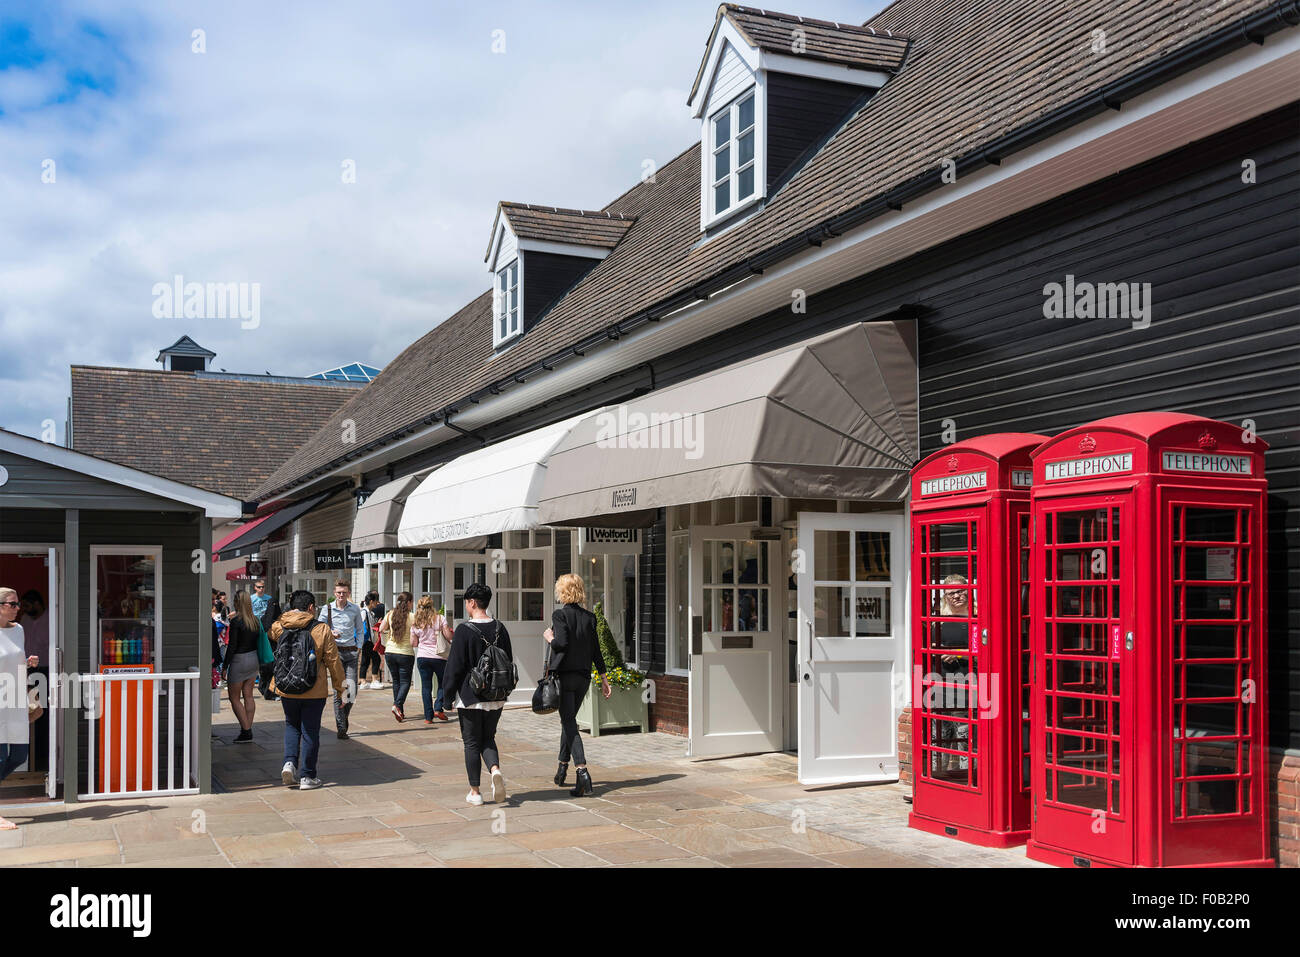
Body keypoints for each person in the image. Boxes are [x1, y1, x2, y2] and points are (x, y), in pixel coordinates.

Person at [440, 582, 511, 805]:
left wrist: (446, 697)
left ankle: (475, 792)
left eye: (467, 604)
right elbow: (508, 660)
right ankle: (495, 770)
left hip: (470, 697)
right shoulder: (501, 628)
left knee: (471, 743)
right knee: (488, 738)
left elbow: (454, 667)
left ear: (471, 602)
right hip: (496, 697)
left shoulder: (464, 630)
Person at [270, 589, 345, 790]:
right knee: (310, 730)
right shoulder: (322, 630)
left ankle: (289, 763)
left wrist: (285, 613)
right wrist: (341, 689)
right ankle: (308, 776)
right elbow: (333, 661)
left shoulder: (281, 626)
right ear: (311, 607)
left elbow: (271, 629)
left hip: (286, 687)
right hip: (314, 688)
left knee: (291, 725)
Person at [543, 574, 611, 797]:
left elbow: (561, 644)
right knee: (568, 720)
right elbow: (596, 651)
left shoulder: (559, 615)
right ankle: (562, 769)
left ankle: (582, 772)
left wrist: (549, 637)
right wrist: (604, 678)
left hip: (563, 677)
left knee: (569, 722)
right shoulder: (590, 618)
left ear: (562, 592)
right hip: (583, 678)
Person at [0, 587, 37, 830]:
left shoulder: (19, 630)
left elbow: (15, 663)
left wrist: (28, 663)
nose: (17, 608)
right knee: (0, 756)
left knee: (19, 755)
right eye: (12, 604)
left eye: (18, 604)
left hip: (14, 698)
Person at [317, 579, 365, 739]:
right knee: (339, 690)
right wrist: (331, 633)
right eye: (338, 592)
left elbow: (360, 629)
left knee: (352, 690)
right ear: (334, 593)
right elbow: (319, 629)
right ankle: (341, 727)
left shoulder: (355, 609)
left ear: (348, 593)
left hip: (351, 653)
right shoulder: (327, 609)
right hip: (334, 653)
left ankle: (343, 715)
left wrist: (359, 647)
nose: (341, 595)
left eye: (344, 593)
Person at [223, 590, 263, 743]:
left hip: (239, 659)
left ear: (237, 602)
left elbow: (232, 646)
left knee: (234, 698)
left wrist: (225, 666)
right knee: (248, 695)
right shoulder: (255, 620)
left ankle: (246, 731)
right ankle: (247, 728)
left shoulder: (236, 621)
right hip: (254, 658)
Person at [411, 595, 454, 724]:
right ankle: (438, 708)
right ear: (432, 606)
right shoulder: (440, 619)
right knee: (443, 682)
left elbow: (413, 643)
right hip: (439, 656)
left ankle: (428, 717)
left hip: (423, 657)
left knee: (426, 687)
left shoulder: (416, 623)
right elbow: (448, 636)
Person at [382, 592, 417, 722]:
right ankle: (397, 704)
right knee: (405, 682)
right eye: (412, 602)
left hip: (390, 652)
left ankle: (399, 711)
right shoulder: (412, 617)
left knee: (396, 682)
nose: (412, 604)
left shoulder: (390, 614)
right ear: (408, 602)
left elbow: (381, 628)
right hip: (405, 653)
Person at [250, 579, 281, 701]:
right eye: (259, 587)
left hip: (268, 629)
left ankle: (266, 686)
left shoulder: (269, 599)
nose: (261, 589)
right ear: (255, 588)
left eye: (263, 587)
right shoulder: (251, 599)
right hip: (256, 627)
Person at [358, 592, 383, 690]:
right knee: (377, 659)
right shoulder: (364, 612)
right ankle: (374, 680)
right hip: (367, 640)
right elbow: (360, 624)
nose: (377, 604)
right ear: (372, 602)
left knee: (365, 660)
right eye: (376, 602)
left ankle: (363, 681)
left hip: (366, 640)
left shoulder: (369, 612)